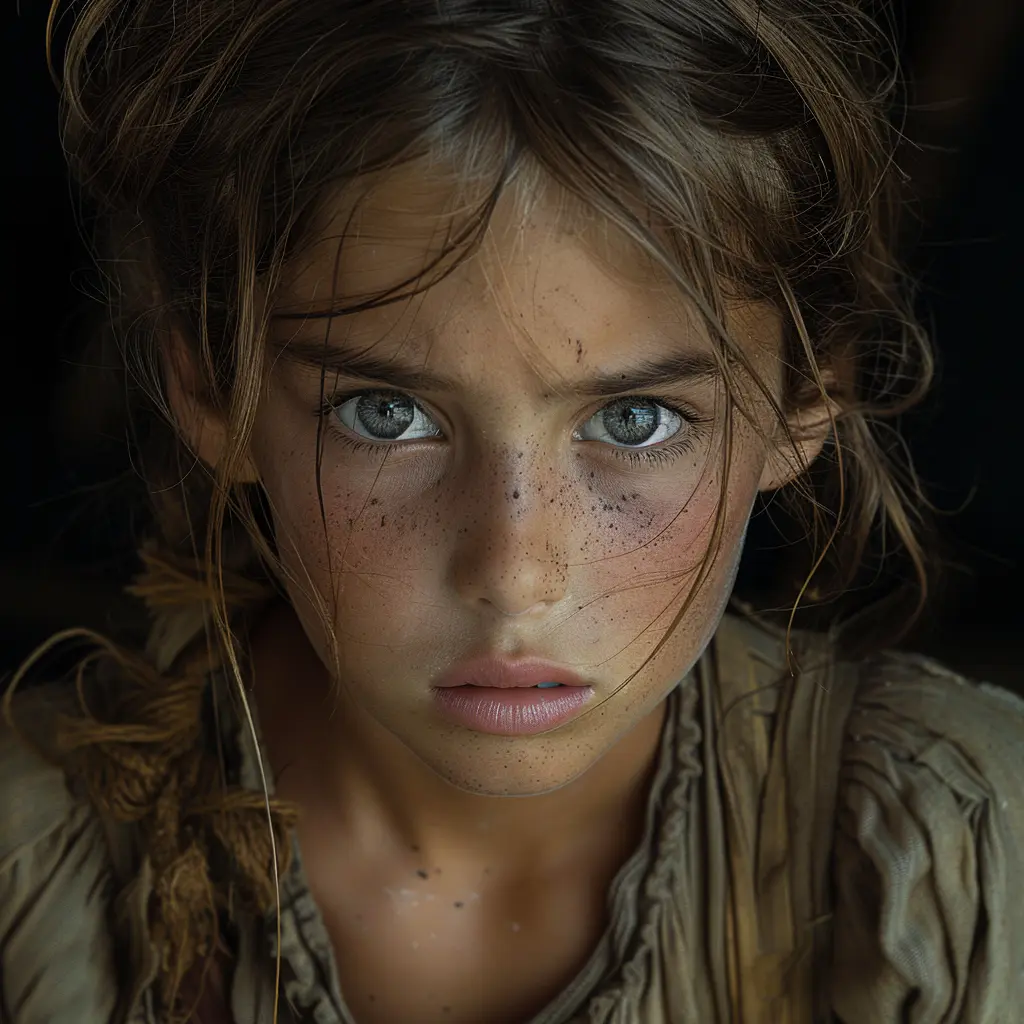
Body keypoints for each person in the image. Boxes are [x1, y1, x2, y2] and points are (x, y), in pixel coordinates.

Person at [2, 1, 1022, 1022]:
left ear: (807, 396)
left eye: (633, 420)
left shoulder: (953, 851)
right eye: (387, 413)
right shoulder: (35, 867)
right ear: (213, 389)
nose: (515, 568)